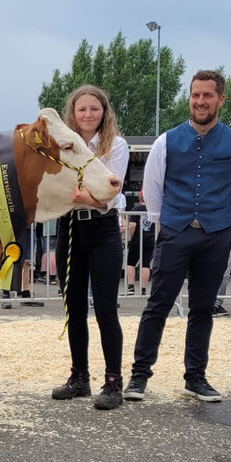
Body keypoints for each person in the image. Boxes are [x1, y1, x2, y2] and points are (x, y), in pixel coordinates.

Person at [125, 70, 231, 403]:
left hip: (216, 234)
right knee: (158, 305)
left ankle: (195, 377)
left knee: (203, 309)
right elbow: (152, 187)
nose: (200, 101)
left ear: (220, 99)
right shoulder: (166, 140)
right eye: (196, 95)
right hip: (175, 232)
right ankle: (139, 376)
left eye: (207, 95)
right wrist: (165, 223)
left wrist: (223, 224)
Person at [50, 84, 128, 410]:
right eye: (82, 109)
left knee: (106, 311)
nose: (87, 115)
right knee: (75, 310)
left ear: (103, 113)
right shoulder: (64, 146)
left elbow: (111, 193)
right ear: (73, 113)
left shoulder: (116, 146)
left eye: (94, 109)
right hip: (69, 228)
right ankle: (79, 377)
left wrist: (86, 198)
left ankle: (113, 382)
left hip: (102, 230)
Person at [124, 194, 155, 297]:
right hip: (150, 239)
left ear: (140, 198)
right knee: (146, 264)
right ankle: (143, 289)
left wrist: (131, 237)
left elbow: (132, 225)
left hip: (138, 239)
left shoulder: (137, 209)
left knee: (131, 262)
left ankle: (131, 287)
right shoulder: (153, 210)